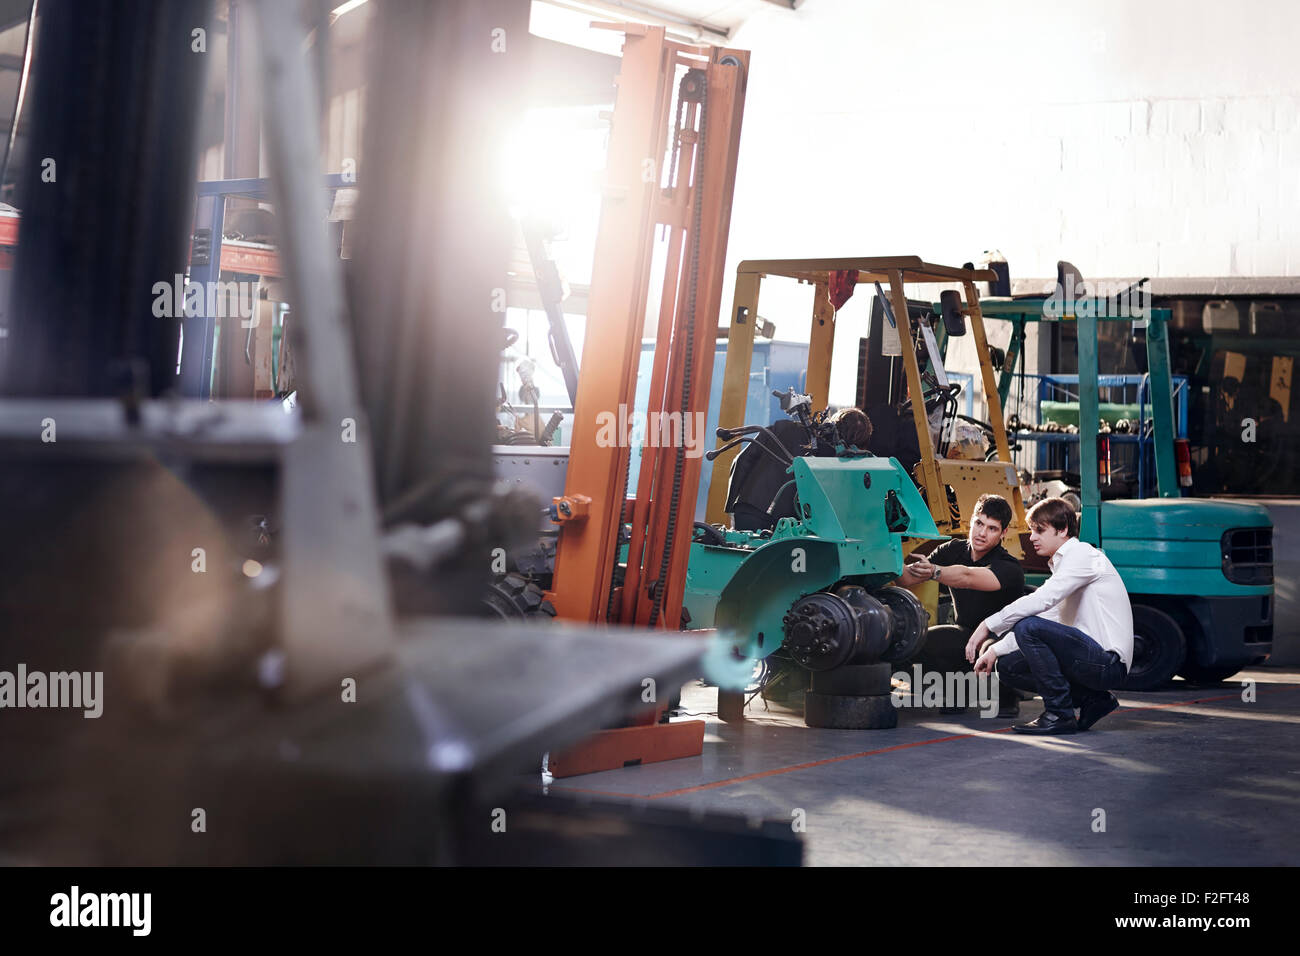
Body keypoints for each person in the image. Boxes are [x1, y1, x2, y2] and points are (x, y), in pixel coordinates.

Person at [964, 497, 1133, 735]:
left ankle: (1059, 714)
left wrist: (988, 624)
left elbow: (1041, 601)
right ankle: (1094, 700)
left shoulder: (1084, 555)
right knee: (1008, 666)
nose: (1032, 537)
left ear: (1063, 529)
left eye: (1039, 531)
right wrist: (994, 650)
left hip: (1108, 663)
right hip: (1086, 658)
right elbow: (1047, 614)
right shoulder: (1064, 567)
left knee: (1028, 627)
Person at [899, 493, 1024, 717]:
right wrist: (883, 549)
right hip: (965, 634)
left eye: (992, 528)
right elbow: (907, 579)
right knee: (916, 642)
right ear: (971, 521)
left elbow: (967, 577)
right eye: (979, 523)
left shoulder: (1009, 568)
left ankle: (1008, 694)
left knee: (992, 647)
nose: (982, 533)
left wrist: (935, 571)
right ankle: (959, 689)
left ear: (1004, 533)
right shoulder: (953, 550)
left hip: (999, 639)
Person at [726, 406, 873, 531]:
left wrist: (731, 506)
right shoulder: (834, 461)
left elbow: (741, 460)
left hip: (747, 510)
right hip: (784, 526)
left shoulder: (782, 427)